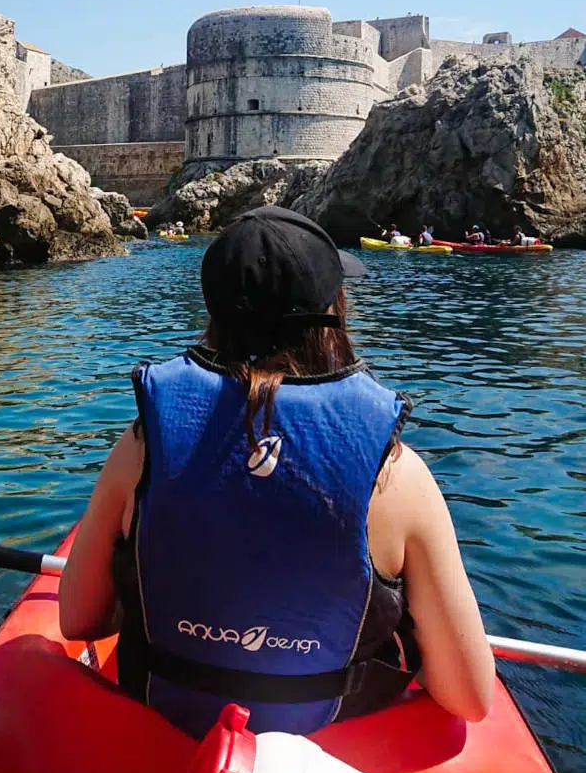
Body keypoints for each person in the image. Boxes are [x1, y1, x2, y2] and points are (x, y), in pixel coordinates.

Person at [60, 206, 494, 741]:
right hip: (327, 744)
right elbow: (470, 697)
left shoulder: (142, 444)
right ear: (333, 312)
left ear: (214, 310)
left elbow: (79, 620)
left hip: (167, 729)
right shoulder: (396, 474)